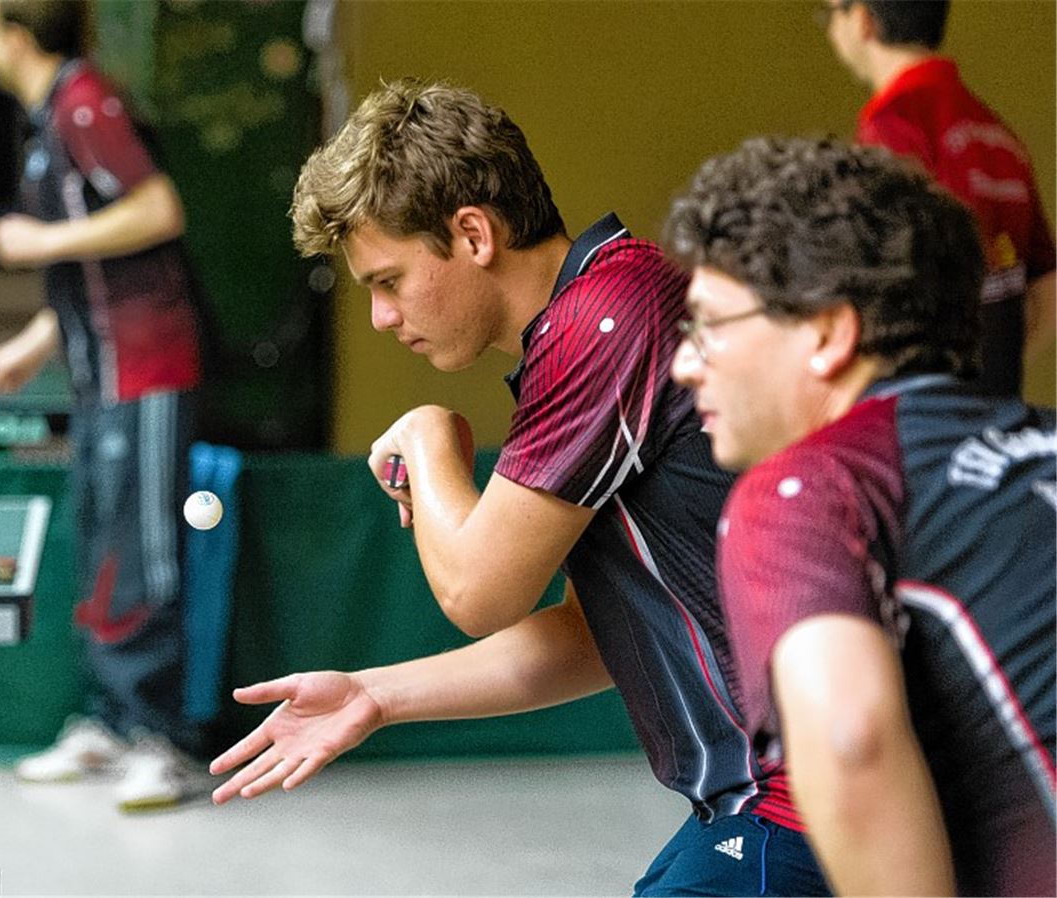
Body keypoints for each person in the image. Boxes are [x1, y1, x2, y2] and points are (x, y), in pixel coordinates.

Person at [209, 79, 831, 897]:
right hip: (765, 799)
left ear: (472, 234)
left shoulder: (599, 324)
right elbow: (591, 632)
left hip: (807, 795)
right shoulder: (603, 311)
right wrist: (373, 695)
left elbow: (479, 590)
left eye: (389, 281)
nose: (382, 319)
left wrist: (431, 438)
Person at [666, 135, 1056, 896]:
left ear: (826, 333)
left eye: (709, 324)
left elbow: (851, 741)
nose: (686, 363)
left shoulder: (810, 489)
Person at [0, 0, 205, 810]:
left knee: (143, 556)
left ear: (10, 28)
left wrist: (36, 244)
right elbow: (98, 263)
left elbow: (156, 209)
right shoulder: (49, 119)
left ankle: (160, 740)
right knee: (105, 554)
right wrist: (33, 342)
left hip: (146, 370)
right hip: (97, 374)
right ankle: (110, 722)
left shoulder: (81, 102)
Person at [821, 0, 1056, 398]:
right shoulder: (995, 133)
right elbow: (1048, 283)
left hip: (922, 407)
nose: (830, 28)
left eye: (831, 12)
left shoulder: (894, 126)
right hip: (993, 399)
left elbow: (883, 283)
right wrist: (993, 366)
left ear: (861, 19)